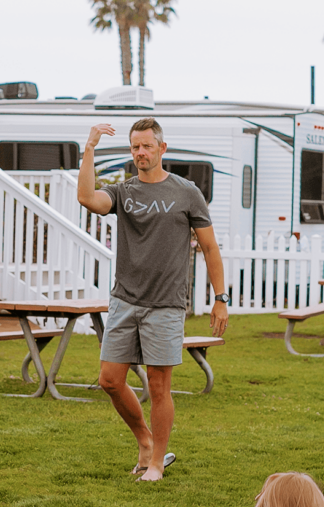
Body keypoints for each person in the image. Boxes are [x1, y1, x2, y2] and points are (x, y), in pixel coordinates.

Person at [77, 118, 229, 482]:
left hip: (166, 303)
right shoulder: (124, 192)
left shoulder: (187, 192)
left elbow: (209, 248)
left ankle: (157, 462)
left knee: (160, 386)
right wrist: (90, 147)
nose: (140, 153)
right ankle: (145, 441)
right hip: (125, 301)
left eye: (146, 146)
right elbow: (87, 199)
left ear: (162, 149)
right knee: (110, 380)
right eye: (135, 147)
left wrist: (220, 298)